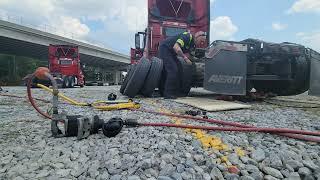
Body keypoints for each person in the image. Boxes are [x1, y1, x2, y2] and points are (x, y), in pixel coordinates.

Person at [158, 31, 207, 99]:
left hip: (172, 53)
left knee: (180, 70)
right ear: (197, 36)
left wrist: (201, 60)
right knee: (173, 70)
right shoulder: (187, 36)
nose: (201, 43)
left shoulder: (193, 45)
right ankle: (167, 94)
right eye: (201, 41)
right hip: (165, 48)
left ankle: (178, 92)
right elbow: (176, 47)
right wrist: (185, 58)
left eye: (203, 42)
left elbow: (190, 56)